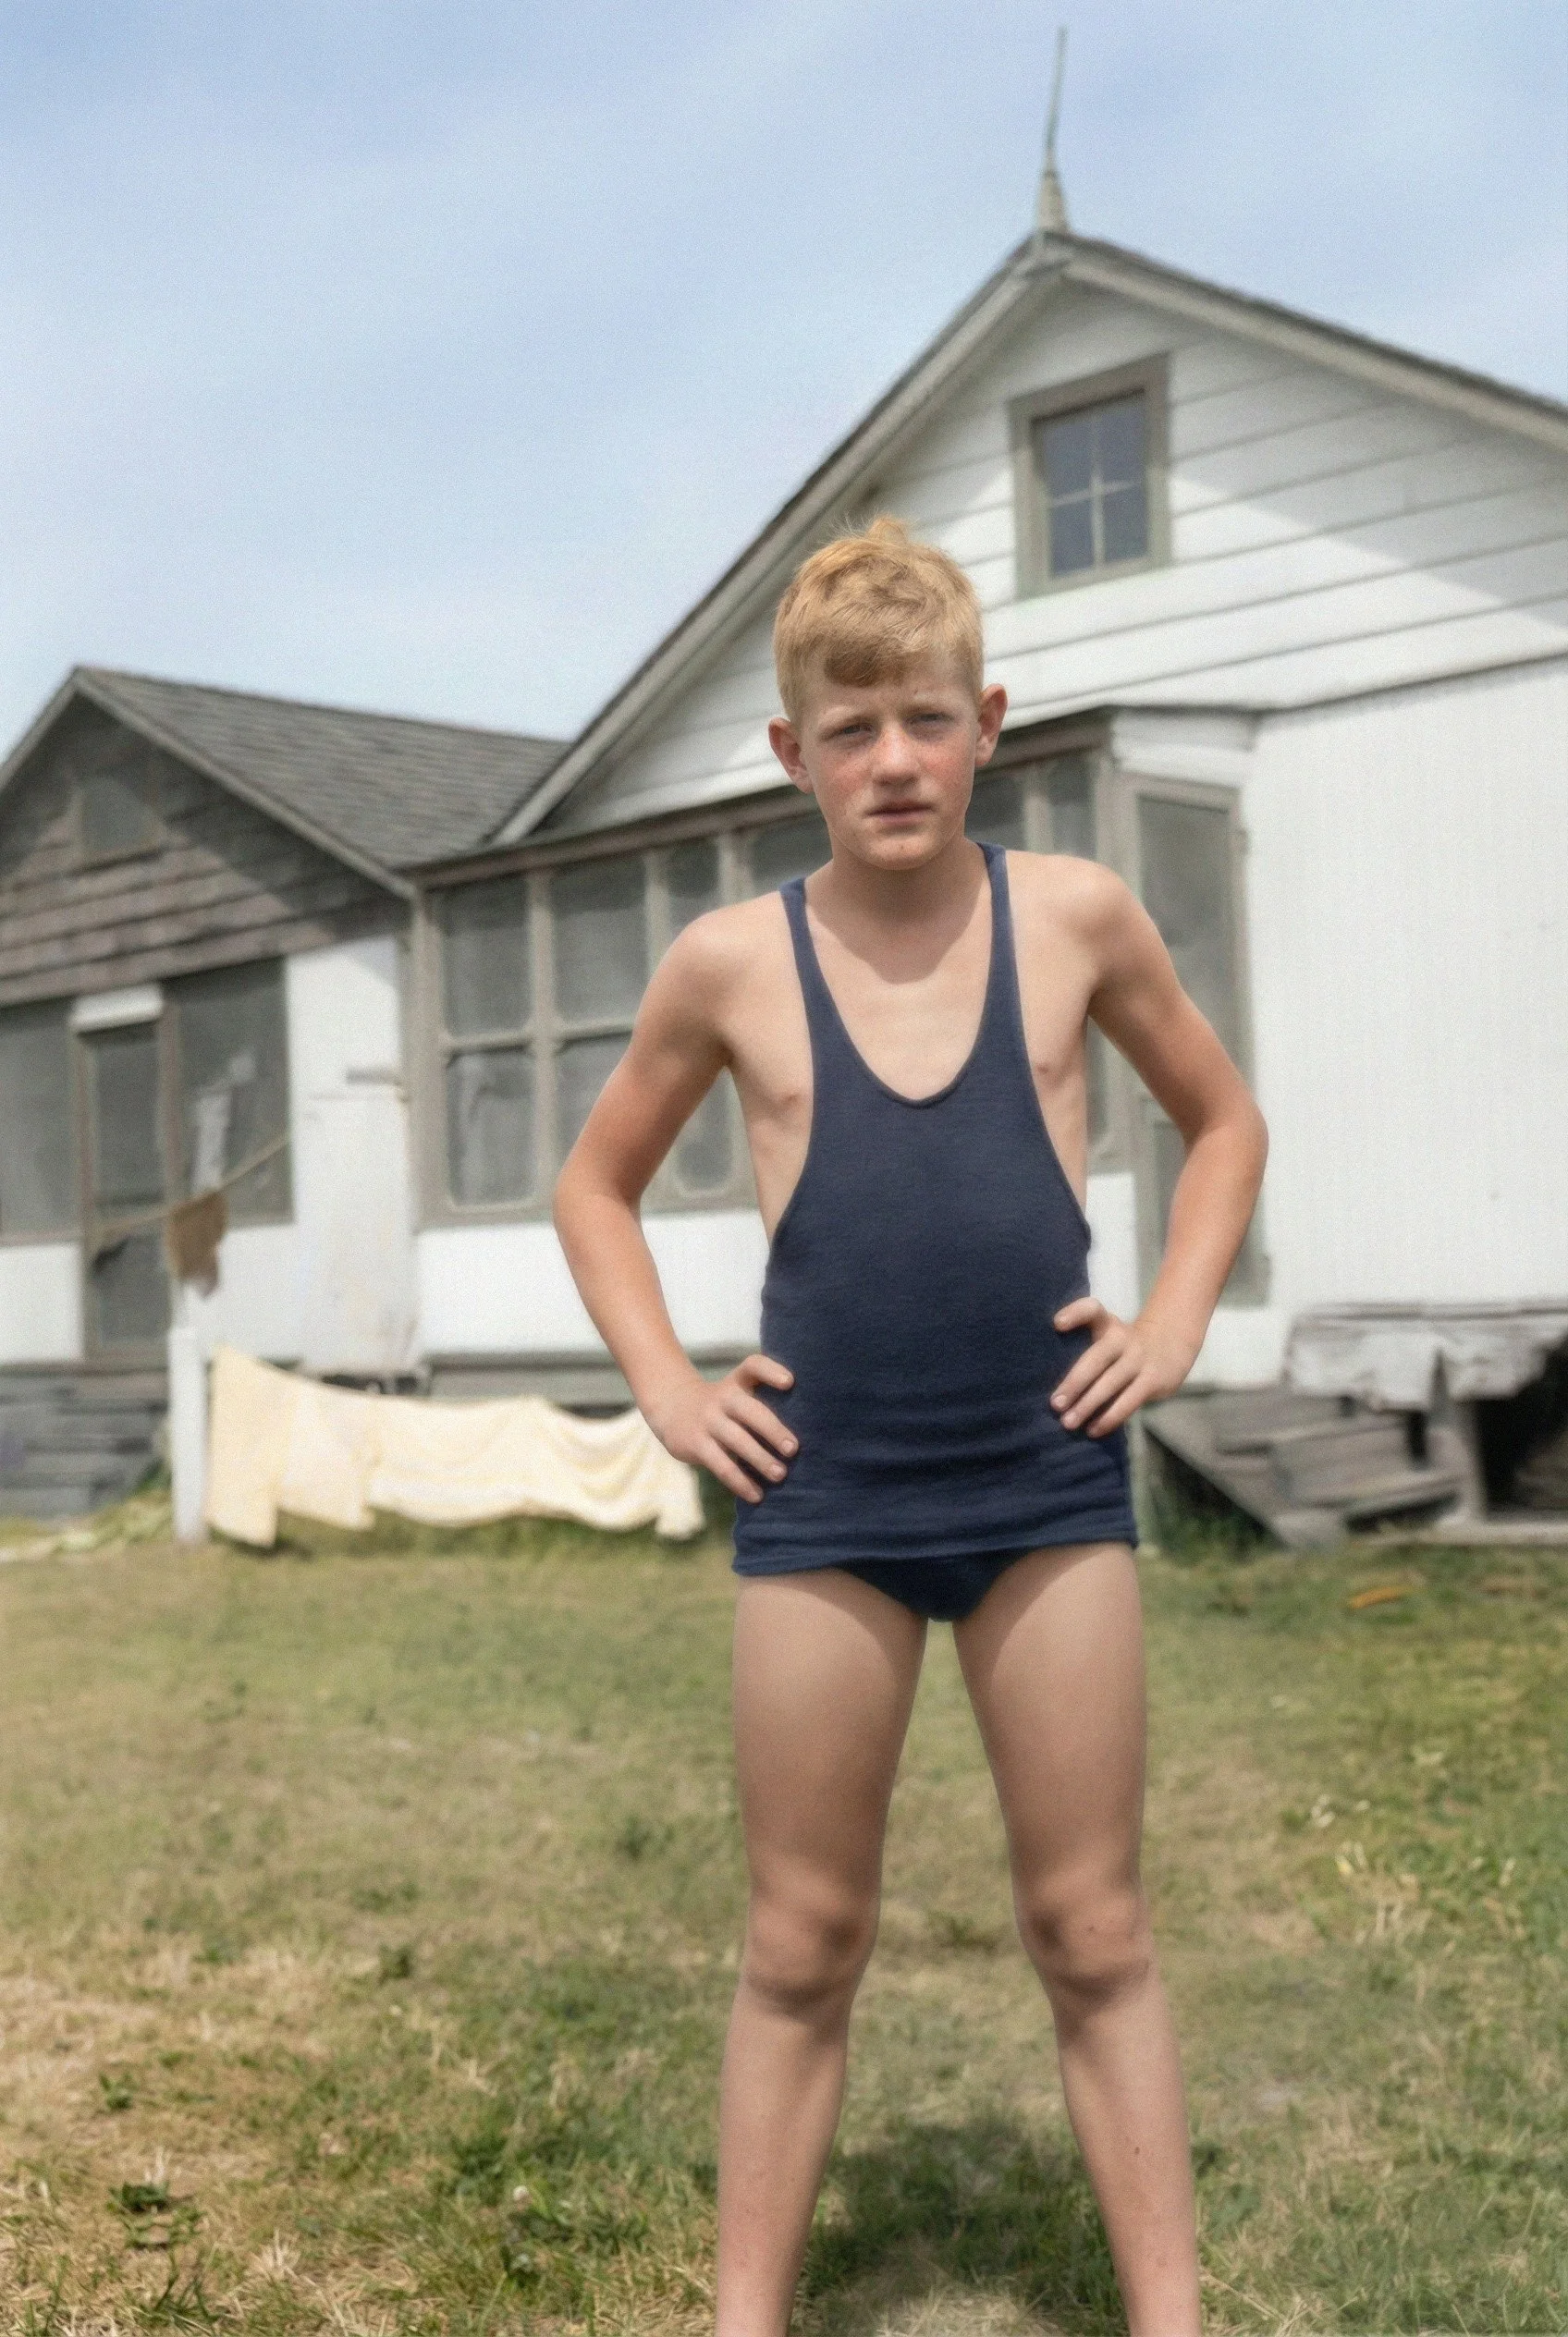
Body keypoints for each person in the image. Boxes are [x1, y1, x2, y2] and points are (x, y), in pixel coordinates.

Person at [553, 519, 1268, 2337]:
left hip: (1042, 1484)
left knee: (1092, 1931)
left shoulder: (1074, 916)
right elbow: (593, 1186)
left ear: (988, 726)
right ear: (790, 752)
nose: (892, 758)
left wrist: (1172, 1317)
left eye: (926, 719)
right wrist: (665, 1385)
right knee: (799, 1942)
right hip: (828, 1498)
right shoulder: (726, 960)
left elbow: (1220, 1121)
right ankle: (744, 2318)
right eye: (851, 724)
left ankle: (1168, 2319)